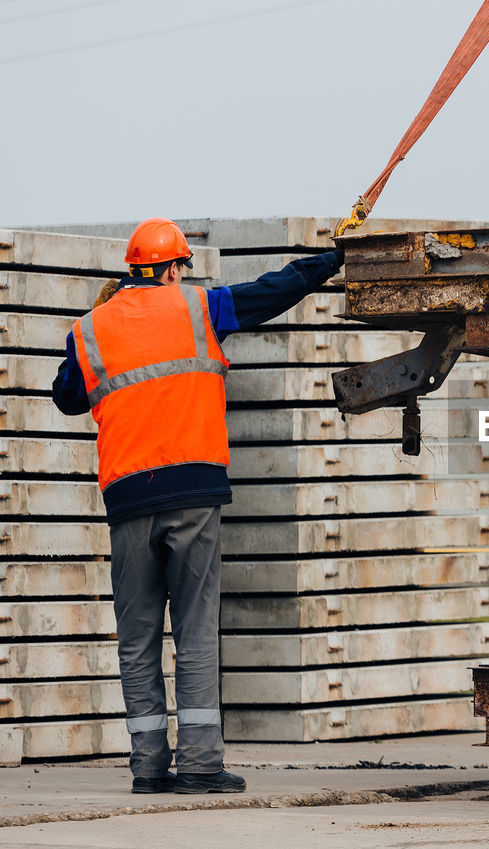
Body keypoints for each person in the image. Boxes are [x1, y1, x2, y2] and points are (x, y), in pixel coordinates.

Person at [51, 218, 344, 794]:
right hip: (195, 493)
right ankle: (202, 766)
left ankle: (148, 769)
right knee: (195, 628)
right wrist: (327, 263)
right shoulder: (198, 309)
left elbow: (65, 397)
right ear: (175, 268)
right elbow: (271, 292)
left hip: (129, 499)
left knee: (136, 637)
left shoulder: (89, 330)